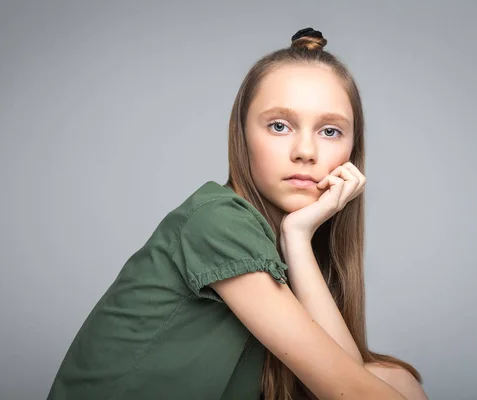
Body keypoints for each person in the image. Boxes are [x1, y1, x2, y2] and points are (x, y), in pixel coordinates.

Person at [47, 27, 429, 400]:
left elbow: (347, 374)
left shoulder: (269, 237)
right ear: (242, 133)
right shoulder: (218, 220)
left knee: (398, 381)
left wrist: (296, 238)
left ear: (351, 148)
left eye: (330, 131)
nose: (306, 151)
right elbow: (350, 392)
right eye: (280, 126)